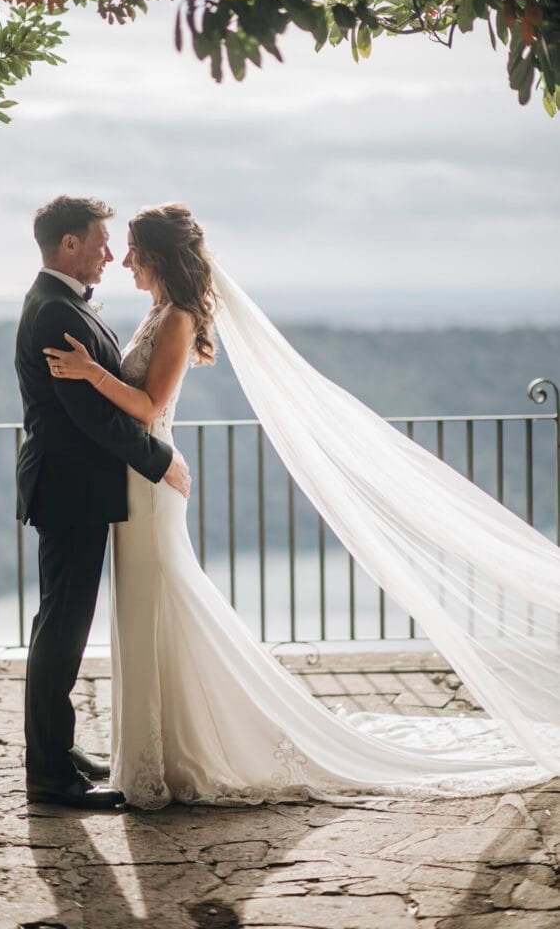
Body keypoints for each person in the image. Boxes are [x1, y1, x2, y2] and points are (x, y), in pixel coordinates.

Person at [44, 202, 560, 809]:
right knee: (148, 612)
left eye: (132, 249)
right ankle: (158, 751)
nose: (123, 259)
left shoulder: (178, 317)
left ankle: (178, 752)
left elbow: (150, 405)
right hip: (137, 483)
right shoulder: (158, 311)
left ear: (156, 255)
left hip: (152, 487)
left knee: (164, 606)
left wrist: (88, 373)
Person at [15, 195, 191, 810]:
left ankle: (56, 753)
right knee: (61, 629)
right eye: (98, 242)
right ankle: (49, 774)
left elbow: (106, 395)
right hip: (71, 491)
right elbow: (90, 417)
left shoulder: (60, 303)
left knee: (60, 625)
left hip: (77, 489)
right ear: (69, 245)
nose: (109, 254)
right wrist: (160, 460)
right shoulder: (52, 313)